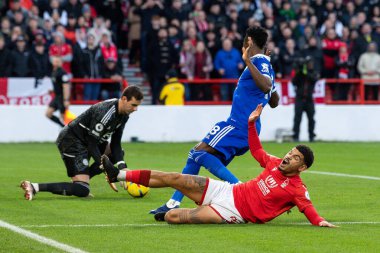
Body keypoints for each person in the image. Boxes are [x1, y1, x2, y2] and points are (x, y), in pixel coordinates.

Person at [101, 104, 336, 227]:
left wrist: (320, 221)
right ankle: (119, 174)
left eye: (294, 158)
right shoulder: (274, 163)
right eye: (290, 153)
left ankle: (171, 211)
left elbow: (307, 208)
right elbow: (257, 151)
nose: (288, 157)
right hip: (228, 191)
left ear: (302, 168)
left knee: (173, 218)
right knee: (175, 178)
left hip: (232, 212)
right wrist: (251, 124)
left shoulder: (297, 188)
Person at [150, 26, 280, 215]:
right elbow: (274, 100)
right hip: (247, 127)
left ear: (250, 41)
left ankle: (243, 192)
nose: (243, 43)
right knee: (198, 156)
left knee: (196, 153)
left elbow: (266, 85)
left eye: (245, 39)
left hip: (238, 125)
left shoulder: (258, 62)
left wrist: (247, 62)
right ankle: (172, 204)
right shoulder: (266, 64)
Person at [20, 86, 144, 201]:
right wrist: (107, 170)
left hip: (89, 140)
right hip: (72, 140)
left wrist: (123, 168)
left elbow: (116, 143)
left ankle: (83, 178)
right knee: (82, 190)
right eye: (133, 105)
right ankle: (34, 187)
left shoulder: (124, 114)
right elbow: (91, 144)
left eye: (137, 106)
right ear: (124, 99)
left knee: (117, 154)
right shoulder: (106, 113)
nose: (135, 109)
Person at [292, 56, 319, 142]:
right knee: (297, 118)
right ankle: (296, 136)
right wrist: (299, 72)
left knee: (311, 119)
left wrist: (305, 73)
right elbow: (294, 82)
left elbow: (314, 79)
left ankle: (311, 136)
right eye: (308, 64)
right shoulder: (300, 74)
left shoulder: (314, 73)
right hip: (299, 99)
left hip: (309, 99)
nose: (310, 65)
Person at [45, 57, 70, 127]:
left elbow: (66, 86)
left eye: (58, 61)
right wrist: (52, 90)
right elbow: (58, 85)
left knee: (64, 117)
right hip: (57, 97)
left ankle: (70, 132)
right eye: (55, 61)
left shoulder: (62, 73)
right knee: (48, 113)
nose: (56, 63)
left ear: (61, 63)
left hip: (62, 97)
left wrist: (66, 100)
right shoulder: (54, 71)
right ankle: (63, 127)